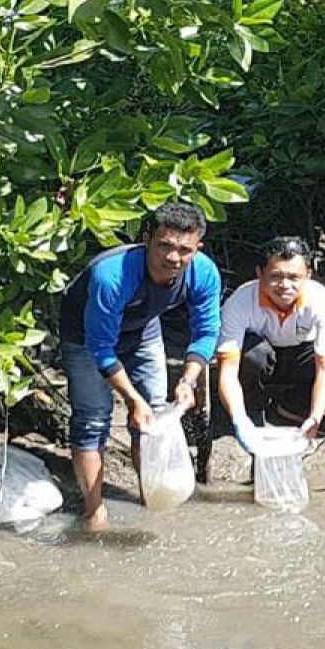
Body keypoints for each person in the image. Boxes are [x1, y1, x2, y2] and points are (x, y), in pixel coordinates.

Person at [59, 203, 221, 531]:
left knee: (155, 416)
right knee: (93, 419)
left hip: (143, 328)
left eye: (184, 250)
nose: (173, 258)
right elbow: (101, 348)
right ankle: (95, 511)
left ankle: (152, 494)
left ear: (197, 248)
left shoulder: (203, 271)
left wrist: (188, 380)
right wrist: (132, 399)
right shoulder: (112, 275)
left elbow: (206, 332)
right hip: (85, 335)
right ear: (147, 239)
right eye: (164, 246)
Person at [216, 236, 325, 444]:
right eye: (276, 276)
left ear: (308, 275)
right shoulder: (240, 301)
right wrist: (238, 419)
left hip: (303, 355)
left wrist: (315, 416)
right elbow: (227, 368)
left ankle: (300, 402)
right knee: (255, 355)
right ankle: (251, 405)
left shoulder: (323, 302)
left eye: (294, 277)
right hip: (262, 357)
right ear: (260, 274)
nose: (284, 285)